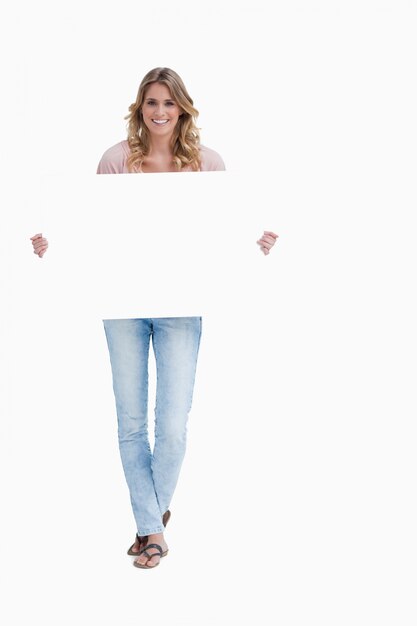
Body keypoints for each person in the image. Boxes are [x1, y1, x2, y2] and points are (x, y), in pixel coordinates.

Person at [30, 67, 278, 569]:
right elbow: (90, 227)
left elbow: (224, 233)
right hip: (121, 301)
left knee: (174, 426)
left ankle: (146, 523)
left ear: (182, 108)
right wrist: (53, 244)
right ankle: (154, 532)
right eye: (151, 103)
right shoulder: (116, 160)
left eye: (169, 103)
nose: (160, 112)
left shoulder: (208, 163)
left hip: (182, 304)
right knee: (130, 421)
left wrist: (257, 244)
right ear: (139, 109)